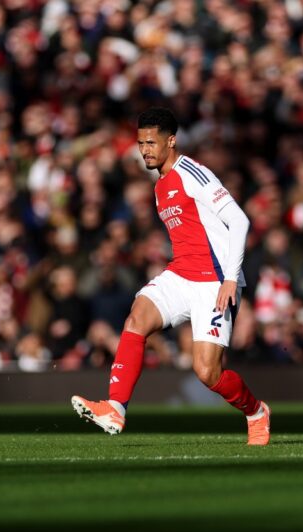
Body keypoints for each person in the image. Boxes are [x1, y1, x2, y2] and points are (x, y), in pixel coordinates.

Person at [71, 108, 271, 445]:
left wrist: (231, 279)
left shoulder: (193, 173)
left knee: (207, 372)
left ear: (171, 141)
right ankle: (116, 407)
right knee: (137, 317)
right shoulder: (160, 185)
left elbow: (239, 221)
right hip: (181, 273)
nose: (145, 149)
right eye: (140, 143)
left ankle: (255, 411)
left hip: (215, 280)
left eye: (151, 142)